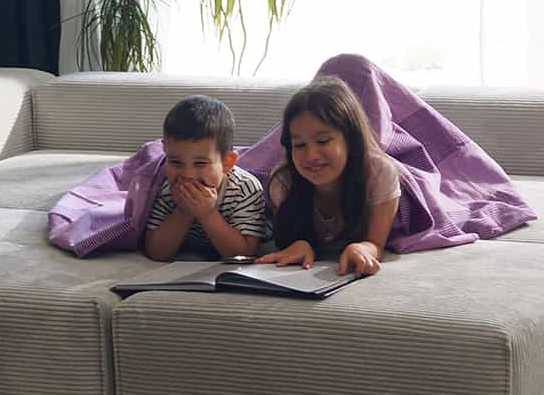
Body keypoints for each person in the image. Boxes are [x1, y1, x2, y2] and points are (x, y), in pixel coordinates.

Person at [256, 77, 400, 276]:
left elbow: (376, 243)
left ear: (350, 138)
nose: (311, 156)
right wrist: (298, 245)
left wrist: (364, 248)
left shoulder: (379, 173)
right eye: (299, 145)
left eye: (323, 141)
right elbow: (287, 236)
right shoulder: (282, 182)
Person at [143, 95, 271, 261]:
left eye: (200, 163)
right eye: (175, 162)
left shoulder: (244, 188)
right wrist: (183, 211)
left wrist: (207, 214)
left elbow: (244, 254)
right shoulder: (168, 187)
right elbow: (156, 253)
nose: (187, 175)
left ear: (227, 162)